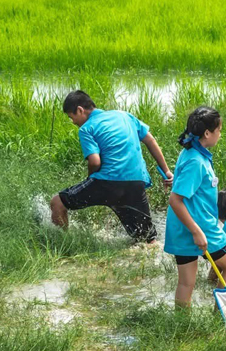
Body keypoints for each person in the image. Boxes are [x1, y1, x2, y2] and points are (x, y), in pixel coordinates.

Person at [50, 90, 172, 242]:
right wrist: (166, 171)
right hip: (135, 182)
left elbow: (95, 162)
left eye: (71, 117)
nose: (73, 122)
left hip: (107, 182)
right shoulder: (124, 116)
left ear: (80, 110)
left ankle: (64, 245)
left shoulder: (86, 128)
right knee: (146, 237)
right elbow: (150, 140)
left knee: (57, 202)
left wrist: (90, 179)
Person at [164, 107, 226, 307]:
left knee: (186, 283)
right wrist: (197, 231)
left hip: (182, 227)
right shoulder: (196, 162)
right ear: (207, 133)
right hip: (200, 227)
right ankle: (222, 315)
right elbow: (175, 200)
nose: (220, 134)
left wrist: (176, 182)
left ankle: (183, 326)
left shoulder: (190, 151)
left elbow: (185, 187)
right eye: (219, 130)